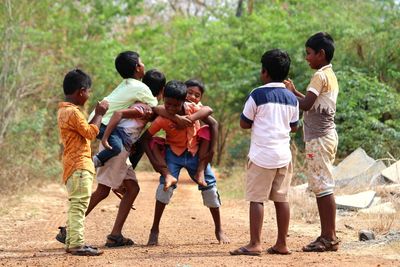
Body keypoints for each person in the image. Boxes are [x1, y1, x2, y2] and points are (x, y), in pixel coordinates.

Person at [56, 69, 165, 247]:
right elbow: (119, 115)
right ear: (160, 92)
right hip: (115, 149)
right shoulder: (144, 106)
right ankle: (68, 230)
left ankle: (115, 235)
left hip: (120, 151)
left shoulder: (142, 103)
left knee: (132, 188)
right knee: (103, 191)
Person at [141, 80, 230, 246]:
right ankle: (154, 229)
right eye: (167, 104)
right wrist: (155, 163)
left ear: (183, 102)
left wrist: (191, 119)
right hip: (173, 154)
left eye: (175, 105)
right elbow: (145, 139)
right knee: (164, 190)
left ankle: (219, 229)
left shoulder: (191, 108)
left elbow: (209, 111)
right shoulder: (162, 118)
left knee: (210, 188)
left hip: (194, 152)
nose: (171, 109)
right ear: (164, 100)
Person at [230, 49, 299, 256]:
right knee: (282, 199)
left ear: (265, 72)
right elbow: (294, 126)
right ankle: (281, 244)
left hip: (261, 156)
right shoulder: (291, 97)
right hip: (283, 156)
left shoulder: (257, 94)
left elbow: (244, 123)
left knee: (257, 199)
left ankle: (255, 243)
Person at [284, 32, 340, 252]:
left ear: (321, 54)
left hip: (319, 138)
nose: (306, 58)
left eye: (309, 53)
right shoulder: (329, 74)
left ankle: (329, 237)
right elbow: (310, 101)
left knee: (323, 187)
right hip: (325, 136)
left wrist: (288, 95)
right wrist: (294, 92)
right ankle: (328, 236)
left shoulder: (319, 76)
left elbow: (305, 105)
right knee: (322, 185)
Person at [57, 69, 109, 256]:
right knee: (79, 205)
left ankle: (72, 241)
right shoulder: (73, 113)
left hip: (72, 165)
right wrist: (100, 113)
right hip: (79, 165)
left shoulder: (63, 110)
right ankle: (77, 243)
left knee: (76, 204)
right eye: (88, 92)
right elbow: (90, 133)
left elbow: (85, 131)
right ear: (81, 91)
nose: (88, 95)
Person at [91, 51, 158, 168]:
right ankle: (94, 162)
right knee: (116, 147)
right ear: (137, 68)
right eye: (141, 62)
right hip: (103, 123)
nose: (143, 65)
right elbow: (155, 106)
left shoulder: (125, 84)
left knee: (123, 142)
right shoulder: (140, 87)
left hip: (95, 118)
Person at [149, 79, 217, 187]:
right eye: (190, 93)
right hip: (174, 151)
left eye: (197, 95)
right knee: (164, 188)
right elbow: (157, 109)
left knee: (206, 130)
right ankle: (167, 175)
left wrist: (189, 120)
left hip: (194, 149)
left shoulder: (194, 108)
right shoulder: (168, 109)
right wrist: (177, 118)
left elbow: (210, 113)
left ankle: (200, 169)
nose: (192, 97)